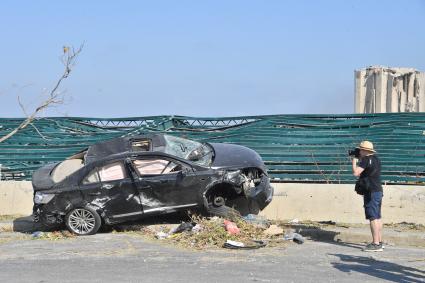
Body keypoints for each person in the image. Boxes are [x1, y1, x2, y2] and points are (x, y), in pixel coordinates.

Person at [351, 141, 384, 252]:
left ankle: (375, 244)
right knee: (378, 216)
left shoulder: (365, 160)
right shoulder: (376, 159)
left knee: (372, 217)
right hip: (378, 190)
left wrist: (354, 161)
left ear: (365, 150)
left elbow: (356, 173)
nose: (359, 151)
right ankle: (379, 242)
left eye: (360, 149)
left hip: (371, 192)